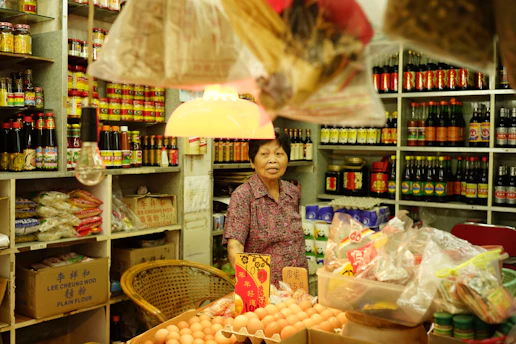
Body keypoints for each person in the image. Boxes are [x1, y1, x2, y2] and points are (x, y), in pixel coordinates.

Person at [222, 128, 307, 286]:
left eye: (279, 153)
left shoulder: (292, 192)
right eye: (264, 154)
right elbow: (235, 246)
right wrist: (253, 283)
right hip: (262, 287)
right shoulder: (243, 196)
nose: (273, 160)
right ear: (252, 162)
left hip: (296, 285)